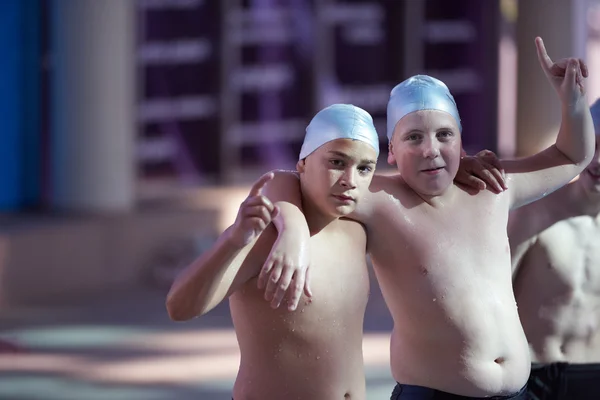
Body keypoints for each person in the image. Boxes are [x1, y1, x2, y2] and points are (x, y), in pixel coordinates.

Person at [259, 37, 594, 399]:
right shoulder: (380, 199)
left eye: (444, 135)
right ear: (392, 152)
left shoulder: (492, 187)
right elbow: (284, 180)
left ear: (460, 143)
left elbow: (571, 156)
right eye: (414, 138)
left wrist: (571, 102)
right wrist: (292, 227)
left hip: (518, 393)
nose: (430, 149)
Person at [166, 104, 382, 399]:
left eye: (364, 168)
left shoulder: (356, 230)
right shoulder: (266, 238)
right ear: (302, 164)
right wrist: (233, 240)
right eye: (336, 162)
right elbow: (179, 307)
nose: (350, 179)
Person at [509, 99, 600, 400]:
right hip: (534, 374)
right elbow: (490, 300)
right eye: (594, 146)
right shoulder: (533, 213)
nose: (598, 160)